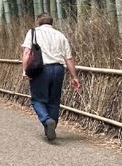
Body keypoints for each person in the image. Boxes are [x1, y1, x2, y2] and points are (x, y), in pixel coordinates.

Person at [21, 12, 81, 141]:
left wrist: (25, 71)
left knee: (37, 99)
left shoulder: (33, 32)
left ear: (38, 22)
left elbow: (27, 53)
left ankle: (47, 121)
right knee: (54, 101)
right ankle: (51, 128)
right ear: (51, 23)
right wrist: (74, 77)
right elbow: (69, 58)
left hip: (41, 70)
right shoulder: (60, 35)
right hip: (59, 69)